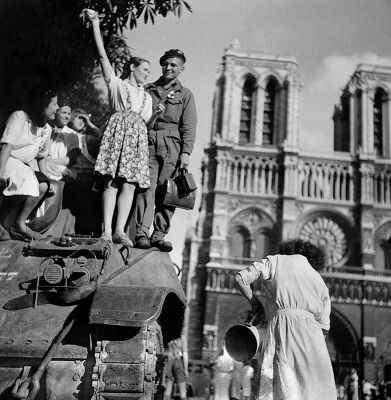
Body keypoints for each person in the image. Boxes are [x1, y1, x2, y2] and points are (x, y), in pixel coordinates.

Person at [83, 9, 163, 246]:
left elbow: (146, 124)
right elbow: (102, 57)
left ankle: (120, 230)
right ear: (132, 68)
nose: (148, 74)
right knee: (112, 181)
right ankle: (106, 230)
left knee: (129, 184)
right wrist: (96, 24)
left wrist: (155, 116)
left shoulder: (147, 98)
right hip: (118, 132)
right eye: (145, 69)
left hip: (136, 137)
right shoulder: (117, 85)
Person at [235, 239, 337, 400]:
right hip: (313, 335)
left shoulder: (274, 261)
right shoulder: (319, 280)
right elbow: (324, 327)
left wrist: (256, 304)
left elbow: (240, 278)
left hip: (281, 326)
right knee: (311, 387)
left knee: (279, 380)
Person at [134, 48, 197, 252]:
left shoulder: (185, 95)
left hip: (173, 145)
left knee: (169, 190)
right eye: (166, 64)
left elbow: (189, 125)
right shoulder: (149, 89)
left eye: (173, 65)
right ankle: (142, 232)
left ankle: (159, 234)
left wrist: (185, 153)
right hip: (149, 140)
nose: (168, 68)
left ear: (181, 69)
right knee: (146, 188)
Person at [0, 89, 58, 240]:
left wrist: (47, 179)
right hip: (6, 159)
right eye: (54, 103)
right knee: (25, 180)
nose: (57, 108)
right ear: (42, 105)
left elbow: (42, 157)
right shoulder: (19, 117)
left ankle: (20, 225)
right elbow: (7, 146)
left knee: (43, 185)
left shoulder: (47, 130)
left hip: (23, 166)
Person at [46, 105, 80, 181]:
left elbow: (72, 159)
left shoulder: (72, 134)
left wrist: (48, 161)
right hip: (45, 168)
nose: (67, 117)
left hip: (61, 172)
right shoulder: (46, 129)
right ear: (55, 113)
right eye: (64, 113)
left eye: (69, 114)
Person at [164, 336, 189, 400]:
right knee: (182, 383)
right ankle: (183, 397)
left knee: (168, 383)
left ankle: (167, 397)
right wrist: (186, 370)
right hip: (177, 360)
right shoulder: (182, 337)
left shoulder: (168, 335)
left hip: (168, 360)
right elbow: (185, 354)